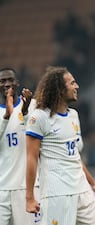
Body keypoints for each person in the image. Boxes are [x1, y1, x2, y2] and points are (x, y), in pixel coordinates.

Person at [25, 66, 95, 225]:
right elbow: (31, 158)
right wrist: (29, 197)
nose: (77, 86)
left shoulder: (74, 115)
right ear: (60, 89)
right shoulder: (39, 117)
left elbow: (74, 156)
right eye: (72, 83)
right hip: (57, 193)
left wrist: (93, 183)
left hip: (82, 190)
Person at [0, 68, 40, 225]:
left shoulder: (33, 105)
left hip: (26, 188)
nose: (7, 84)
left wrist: (25, 114)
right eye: (3, 81)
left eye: (10, 80)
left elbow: (38, 138)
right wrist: (6, 118)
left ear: (17, 83)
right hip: (2, 187)